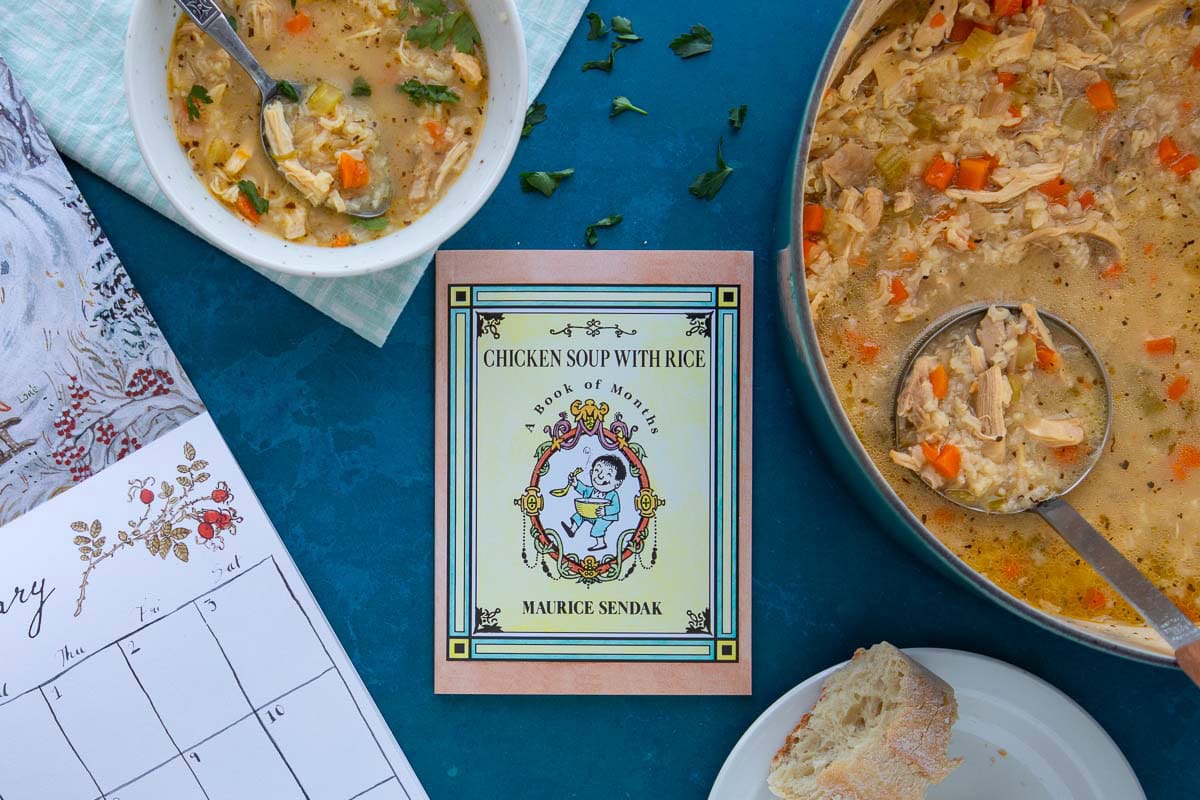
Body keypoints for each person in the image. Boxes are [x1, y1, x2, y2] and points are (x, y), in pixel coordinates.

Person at [560, 455, 625, 552]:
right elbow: (584, 488)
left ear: (618, 483)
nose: (600, 476)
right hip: (591, 512)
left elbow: (616, 508)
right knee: (579, 515)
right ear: (591, 473)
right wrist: (575, 483)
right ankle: (572, 530)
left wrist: (605, 511)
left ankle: (601, 543)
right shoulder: (591, 490)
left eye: (608, 474)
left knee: (598, 527)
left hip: (604, 517)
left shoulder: (613, 495)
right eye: (597, 470)